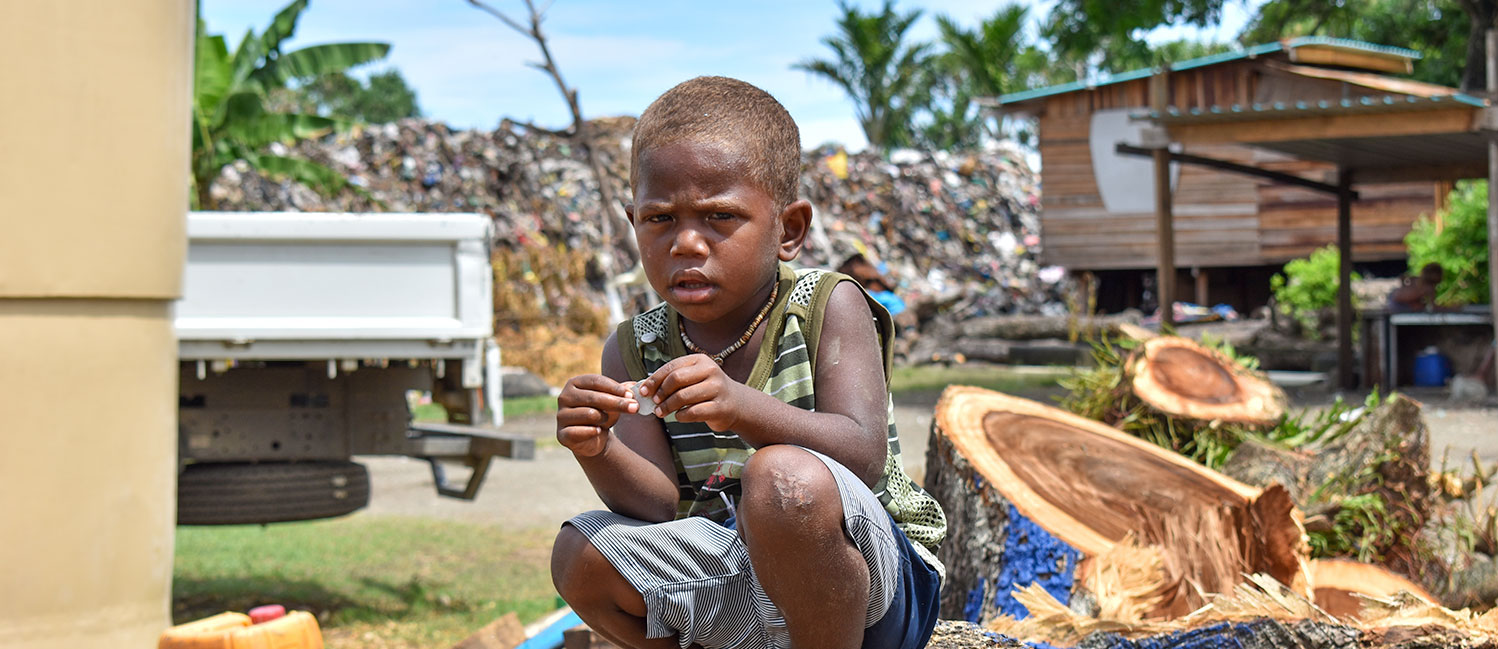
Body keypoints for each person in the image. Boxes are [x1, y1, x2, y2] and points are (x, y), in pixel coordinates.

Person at [550, 76, 945, 649]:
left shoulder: (826, 305)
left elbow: (862, 455)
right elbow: (657, 505)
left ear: (789, 230)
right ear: (633, 221)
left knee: (781, 478)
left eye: (718, 217)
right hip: (739, 582)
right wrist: (598, 448)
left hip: (869, 587)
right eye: (660, 219)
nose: (686, 243)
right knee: (579, 554)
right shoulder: (635, 345)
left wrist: (741, 408)